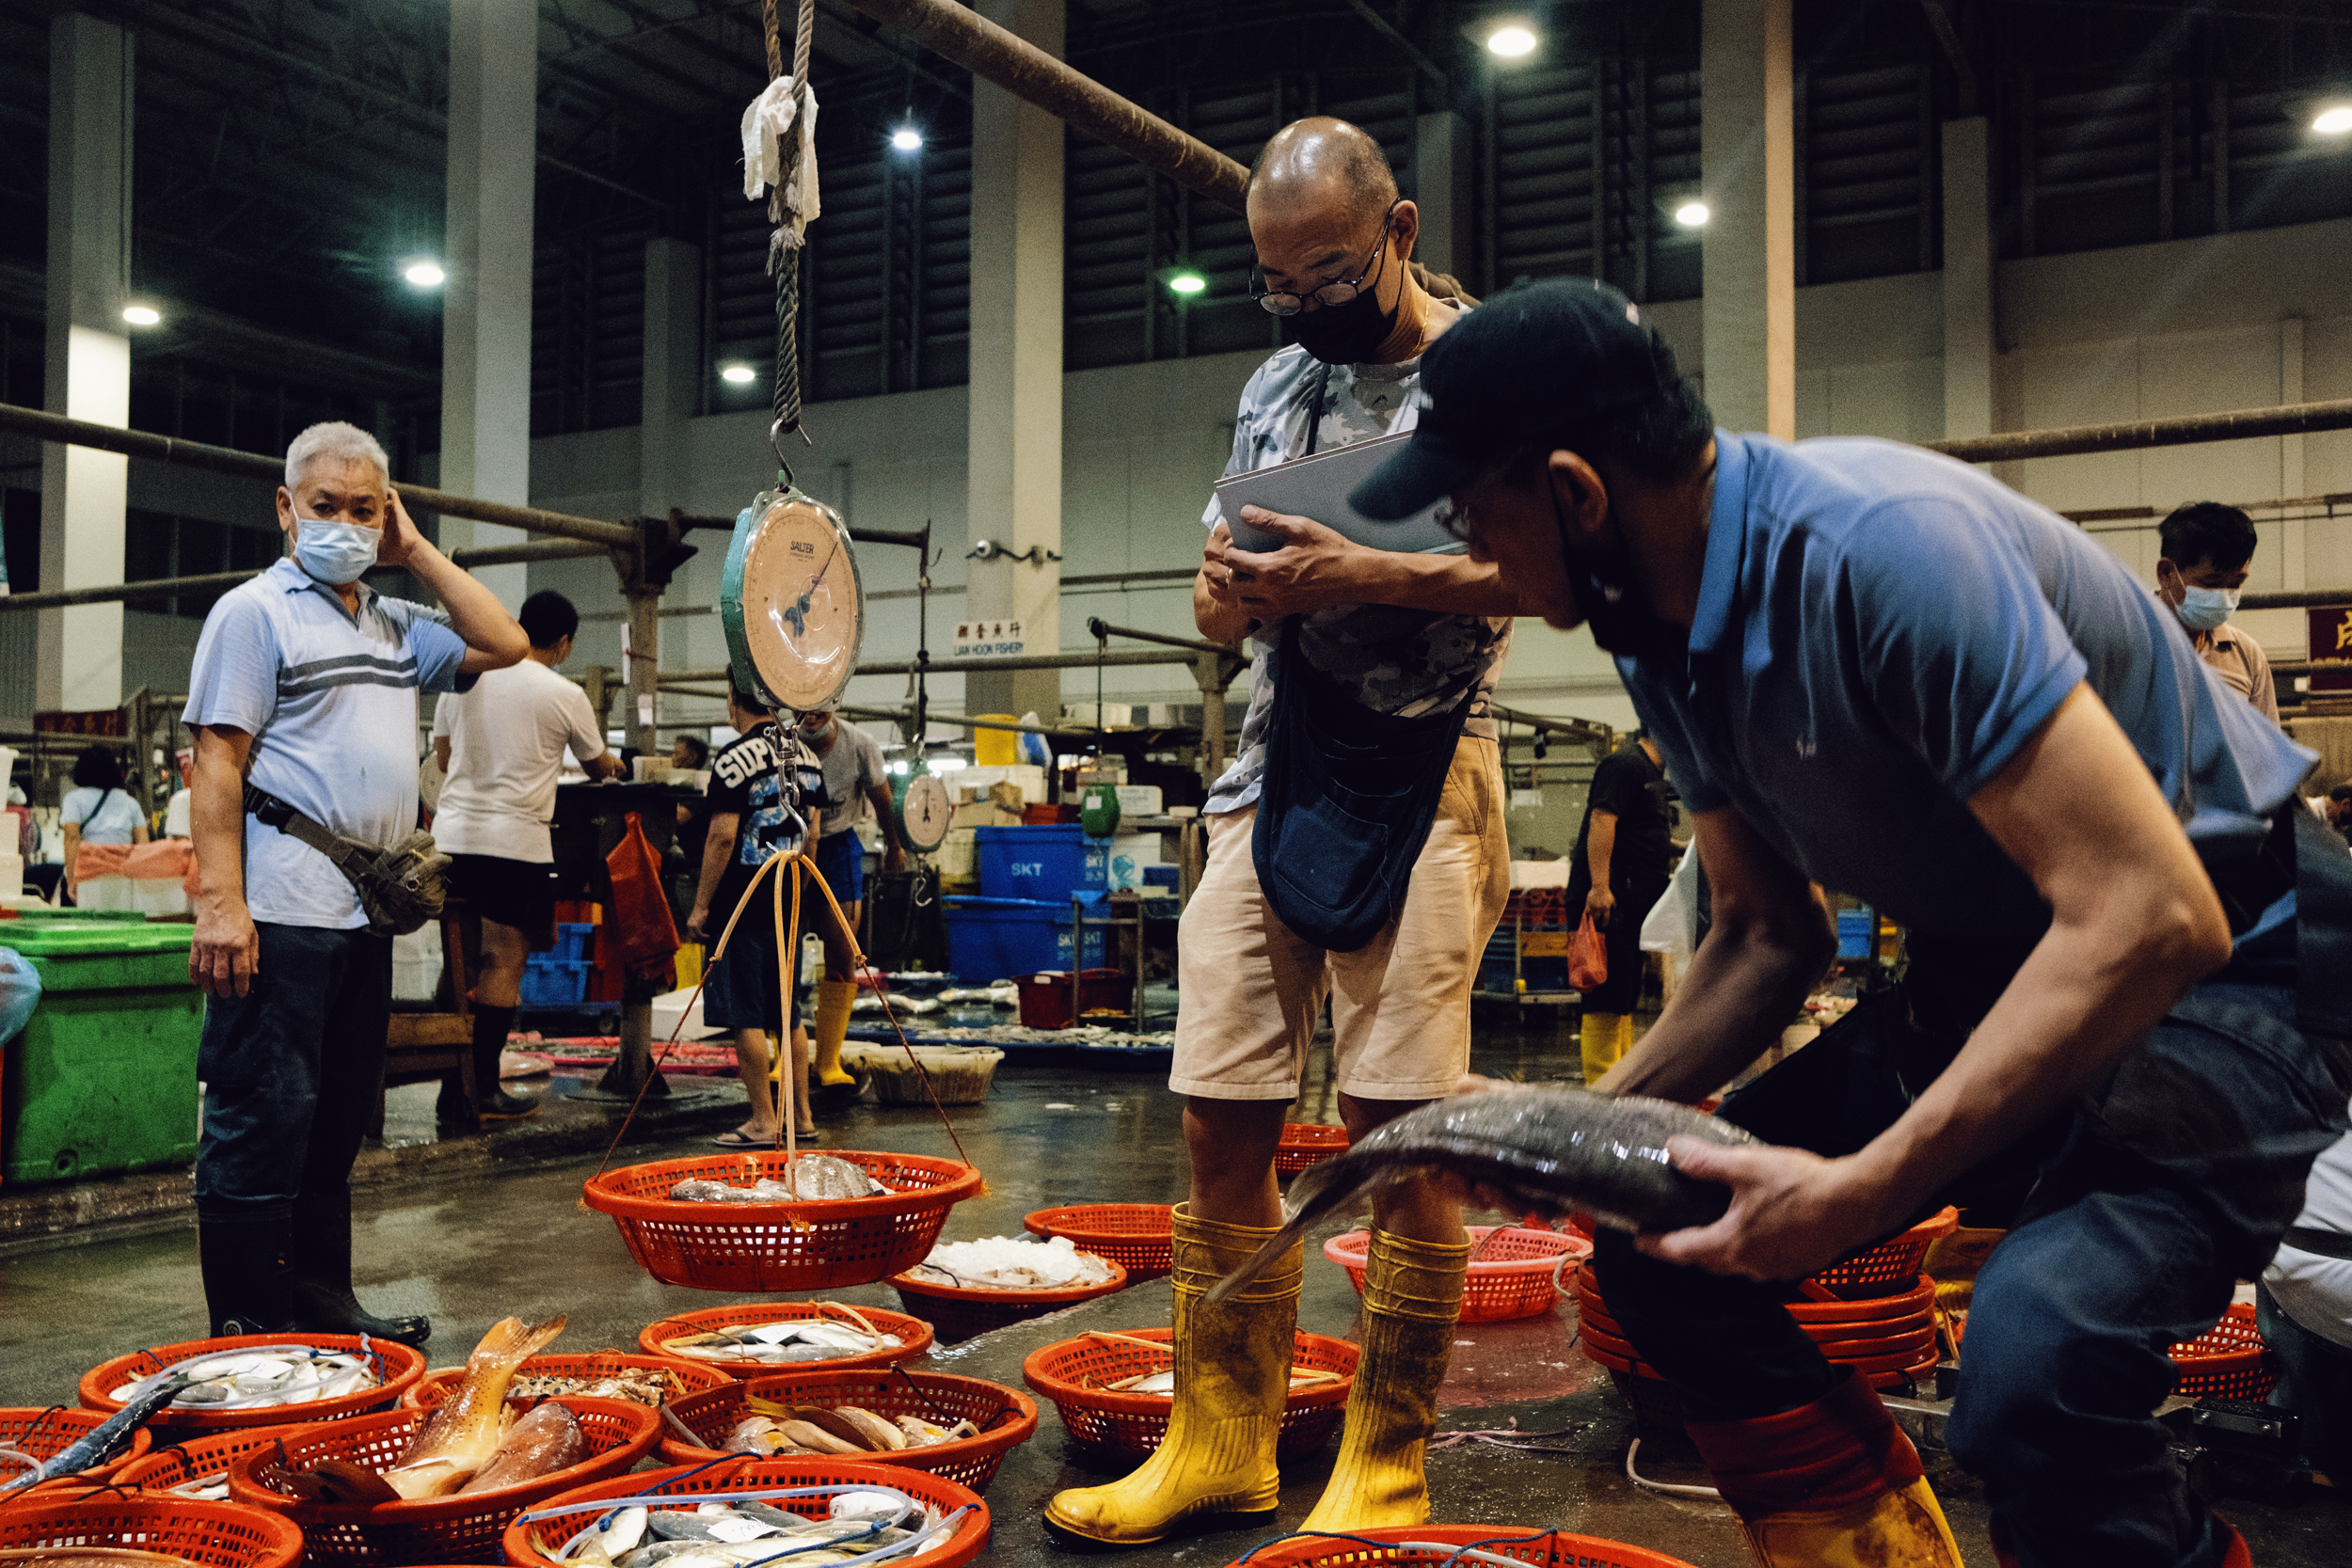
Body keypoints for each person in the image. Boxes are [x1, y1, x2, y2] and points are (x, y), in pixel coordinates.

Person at [1352, 277, 2348, 1568]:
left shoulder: (1882, 551)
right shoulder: (1655, 628)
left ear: (1575, 491)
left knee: (2032, 1365)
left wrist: (1861, 1189)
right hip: (2003, 968)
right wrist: (1565, 1139)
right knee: (1665, 1245)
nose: (1466, 541)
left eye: (1469, 507)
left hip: (2234, 963)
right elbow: (1771, 934)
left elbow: (2151, 912)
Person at [1047, 117, 1524, 1547]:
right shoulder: (1274, 381)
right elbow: (1214, 606)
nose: (1308, 306)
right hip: (1274, 769)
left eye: (1330, 274)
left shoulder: (1493, 372)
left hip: (1431, 768)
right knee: (1217, 1112)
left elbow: (1550, 569)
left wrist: (1360, 566)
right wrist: (1229, 593)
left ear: (1403, 229)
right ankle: (1222, 1441)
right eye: (1278, 283)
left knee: (1399, 1135)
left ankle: (1383, 1463)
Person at [183, 420, 527, 1345]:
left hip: (362, 919)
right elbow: (215, 759)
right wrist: (222, 902)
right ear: (286, 508)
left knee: (335, 1121)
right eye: (324, 505)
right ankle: (250, 1324)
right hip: (281, 913)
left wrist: (415, 551)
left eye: (363, 509)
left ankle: (322, 1300)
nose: (343, 523)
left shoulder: (393, 623)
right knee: (264, 1116)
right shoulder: (255, 613)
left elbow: (508, 641)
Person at [430, 590, 625, 1130]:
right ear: (563, 644)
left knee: (460, 958)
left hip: (451, 838)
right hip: (514, 843)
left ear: (517, 626)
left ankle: (453, 1087)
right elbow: (598, 766)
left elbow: (444, 758)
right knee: (504, 962)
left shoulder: (462, 676)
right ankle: (481, 1088)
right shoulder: (563, 693)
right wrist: (620, 764)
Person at [685, 679, 828, 1149]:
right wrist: (799, 893)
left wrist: (702, 903)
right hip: (790, 896)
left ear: (732, 699)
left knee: (745, 1011)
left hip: (743, 902)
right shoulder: (805, 755)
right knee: (789, 1013)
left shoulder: (732, 759)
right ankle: (802, 1117)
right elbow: (813, 836)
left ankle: (765, 1121)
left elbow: (722, 837)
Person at [795, 704, 903, 1094]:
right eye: (801, 706)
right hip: (788, 844)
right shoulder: (781, 742)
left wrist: (895, 846)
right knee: (781, 953)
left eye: (819, 705)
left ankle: (827, 1061)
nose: (810, 713)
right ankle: (783, 1059)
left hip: (838, 847)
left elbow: (882, 798)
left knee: (842, 953)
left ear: (835, 703)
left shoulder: (861, 745)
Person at [1564, 729, 1674, 1082]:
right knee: (1607, 996)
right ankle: (1602, 1092)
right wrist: (1599, 887)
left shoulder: (1652, 775)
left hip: (1633, 904)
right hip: (1609, 903)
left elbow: (1641, 835)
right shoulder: (1625, 765)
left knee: (1625, 997)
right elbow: (1602, 819)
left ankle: (1619, 1084)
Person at [2154, 500, 2278, 722]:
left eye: (2236, 583)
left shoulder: (2247, 656)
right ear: (2166, 573)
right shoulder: (2126, 641)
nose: (2223, 594)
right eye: (2211, 583)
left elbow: (2268, 749)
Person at [60, 744, 148, 902]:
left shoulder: (73, 799)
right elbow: (143, 845)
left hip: (88, 874)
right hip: (122, 875)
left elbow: (71, 838)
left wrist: (72, 879)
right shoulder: (130, 802)